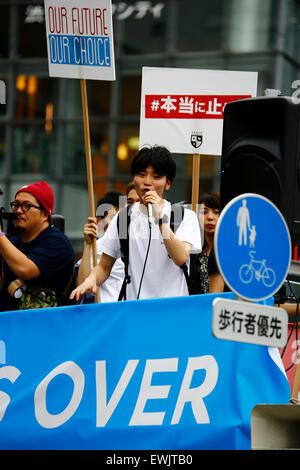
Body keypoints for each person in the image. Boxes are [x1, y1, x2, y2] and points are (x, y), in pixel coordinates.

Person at [70, 145, 201, 302]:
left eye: (156, 177)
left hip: (172, 312)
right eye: (141, 175)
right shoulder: (123, 218)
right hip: (134, 311)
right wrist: (92, 279)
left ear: (168, 184)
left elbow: (180, 257)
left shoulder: (184, 216)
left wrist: (160, 220)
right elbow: (104, 266)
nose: (147, 182)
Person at [0, 181, 75, 311]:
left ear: (45, 214)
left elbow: (26, 269)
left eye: (26, 206)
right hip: (11, 325)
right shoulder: (12, 242)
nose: (18, 211)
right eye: (16, 205)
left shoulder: (58, 242)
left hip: (48, 326)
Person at [76, 191, 126, 303]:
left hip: (131, 312)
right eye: (114, 217)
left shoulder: (139, 246)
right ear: (99, 222)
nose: (120, 222)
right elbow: (83, 286)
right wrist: (88, 245)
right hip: (104, 312)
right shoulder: (96, 248)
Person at [190, 192, 220, 294]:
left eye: (216, 212)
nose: (210, 217)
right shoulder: (194, 250)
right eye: (204, 212)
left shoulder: (227, 250)